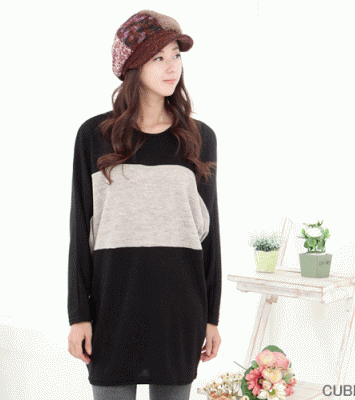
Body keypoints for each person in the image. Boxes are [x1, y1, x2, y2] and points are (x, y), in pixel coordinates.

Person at [67, 9, 222, 400]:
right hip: (112, 310)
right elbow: (80, 230)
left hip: (180, 311)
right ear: (133, 66)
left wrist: (212, 317)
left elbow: (209, 236)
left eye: (176, 55)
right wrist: (78, 315)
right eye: (158, 57)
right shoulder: (94, 136)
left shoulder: (200, 138)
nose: (172, 67)